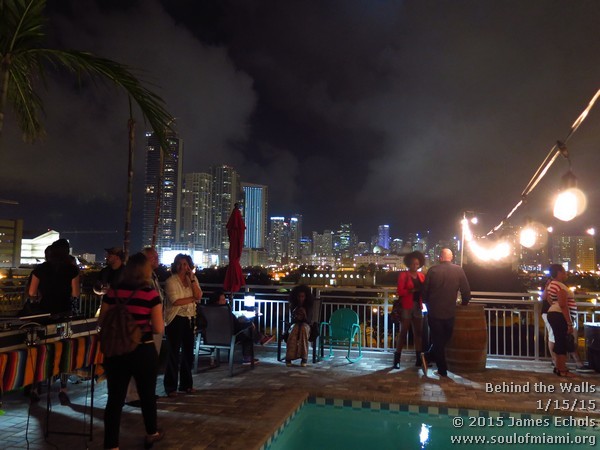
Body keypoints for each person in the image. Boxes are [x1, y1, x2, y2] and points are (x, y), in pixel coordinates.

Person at [99, 252, 164, 449]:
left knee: (114, 399)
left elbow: (102, 320)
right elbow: (158, 328)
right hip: (143, 350)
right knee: (147, 395)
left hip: (117, 351)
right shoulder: (150, 294)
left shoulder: (113, 292)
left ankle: (111, 444)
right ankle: (151, 432)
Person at [28, 239, 80, 404]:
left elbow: (32, 292)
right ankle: (63, 389)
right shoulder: (72, 270)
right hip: (64, 314)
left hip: (43, 315)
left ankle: (35, 388)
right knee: (64, 352)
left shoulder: (40, 269)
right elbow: (75, 294)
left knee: (41, 352)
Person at [421, 248, 471, 378]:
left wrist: (427, 302)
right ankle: (440, 368)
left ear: (440, 257)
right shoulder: (458, 270)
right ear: (452, 257)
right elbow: (466, 290)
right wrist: (464, 303)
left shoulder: (433, 270)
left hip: (434, 311)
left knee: (438, 339)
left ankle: (430, 357)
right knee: (445, 338)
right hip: (450, 311)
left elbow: (424, 290)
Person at [125, 247, 164, 407]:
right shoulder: (145, 287)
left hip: (144, 327)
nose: (157, 259)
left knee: (144, 367)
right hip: (146, 329)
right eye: (153, 257)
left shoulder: (152, 277)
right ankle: (134, 395)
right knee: (142, 366)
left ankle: (144, 393)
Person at [163, 254, 202, 397]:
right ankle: (170, 387)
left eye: (185, 264)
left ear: (189, 266)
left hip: (189, 318)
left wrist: (192, 279)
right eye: (179, 263)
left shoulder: (193, 279)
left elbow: (199, 295)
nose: (182, 267)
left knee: (188, 353)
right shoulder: (171, 281)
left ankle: (186, 385)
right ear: (175, 265)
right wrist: (192, 299)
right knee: (173, 353)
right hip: (175, 319)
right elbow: (175, 301)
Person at [394, 251, 426, 369]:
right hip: (407, 306)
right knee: (403, 333)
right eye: (413, 264)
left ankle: (418, 360)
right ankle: (397, 360)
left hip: (418, 306)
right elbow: (400, 291)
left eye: (417, 264)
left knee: (418, 333)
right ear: (408, 264)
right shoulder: (404, 275)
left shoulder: (422, 276)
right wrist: (411, 291)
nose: (415, 266)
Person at [545, 264, 576, 377]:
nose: (565, 274)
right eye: (563, 272)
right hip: (559, 315)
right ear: (558, 273)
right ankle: (562, 370)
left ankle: (558, 368)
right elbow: (563, 304)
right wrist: (569, 323)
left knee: (558, 340)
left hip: (554, 313)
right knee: (561, 341)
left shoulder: (551, 284)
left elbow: (549, 300)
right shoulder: (559, 286)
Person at [285, 285, 314, 367]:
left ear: (306, 297)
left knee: (303, 330)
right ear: (296, 297)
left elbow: (309, 321)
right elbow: (292, 320)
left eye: (302, 296)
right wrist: (295, 313)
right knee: (294, 330)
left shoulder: (309, 306)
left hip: (306, 325)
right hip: (295, 324)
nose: (301, 298)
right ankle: (289, 357)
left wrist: (304, 314)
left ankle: (304, 358)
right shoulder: (293, 305)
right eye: (299, 296)